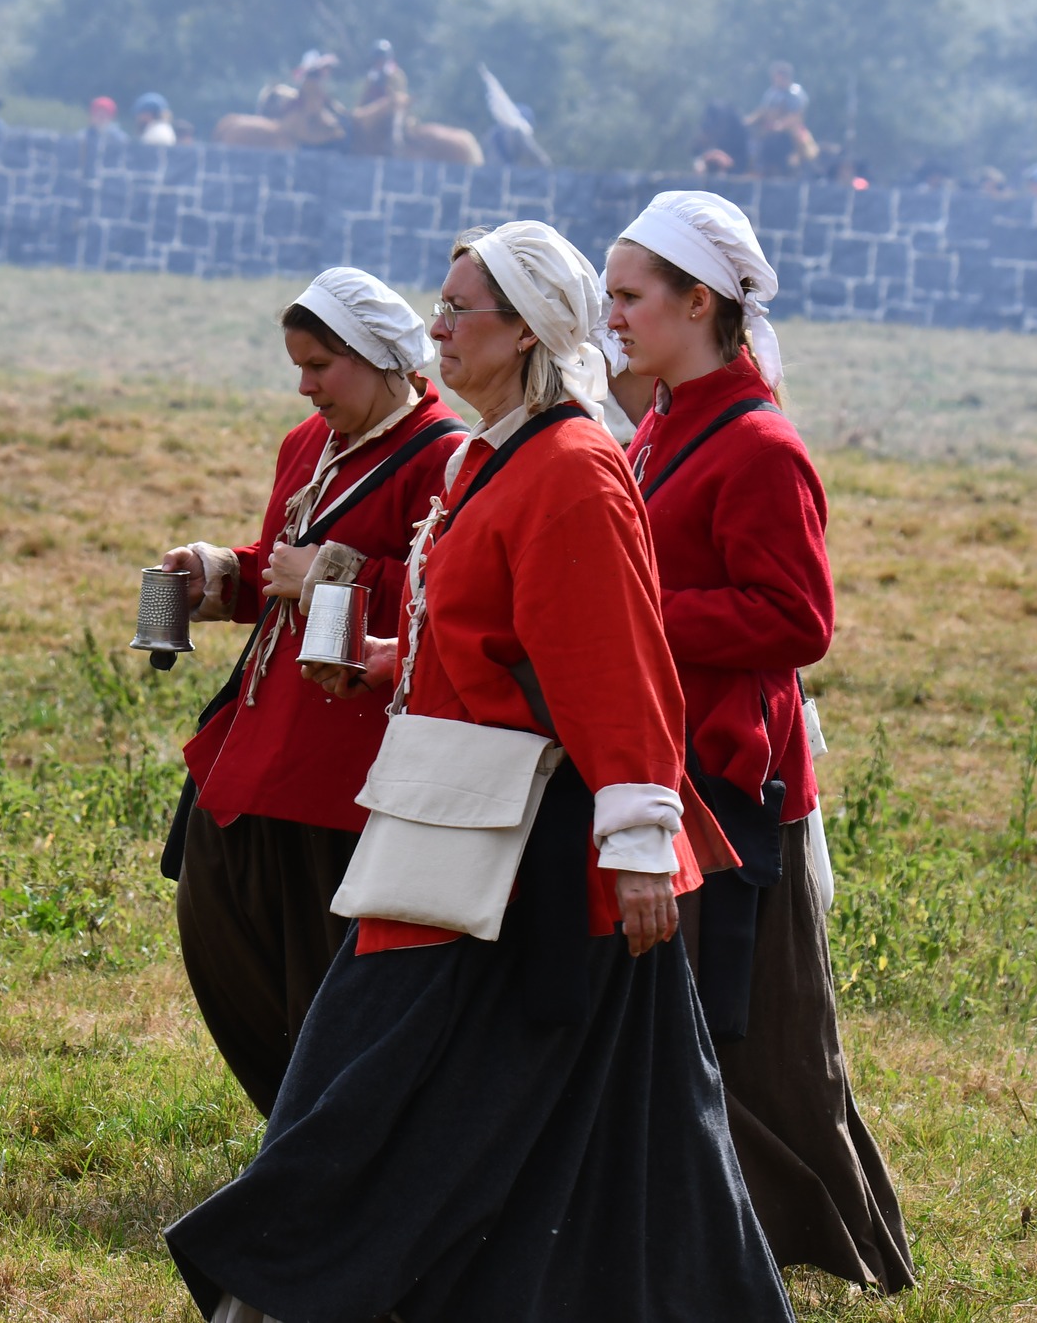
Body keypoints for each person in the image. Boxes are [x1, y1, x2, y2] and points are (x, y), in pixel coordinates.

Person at [165, 220, 789, 1323]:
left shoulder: (572, 471)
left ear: (527, 331)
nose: (438, 326)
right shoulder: (489, 457)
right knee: (544, 1123)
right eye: (441, 305)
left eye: (461, 309)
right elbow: (495, 641)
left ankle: (284, 1293)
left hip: (529, 864)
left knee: (424, 1101)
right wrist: (388, 659)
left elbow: (613, 667)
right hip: (453, 830)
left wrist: (641, 845)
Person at [606, 190, 917, 1292]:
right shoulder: (663, 422)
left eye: (630, 296)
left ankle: (795, 1237)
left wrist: (638, 612)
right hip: (674, 760)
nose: (611, 316)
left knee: (758, 1044)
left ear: (699, 303)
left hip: (733, 780)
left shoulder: (758, 444)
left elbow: (797, 619)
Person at [160, 269, 465, 1117]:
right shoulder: (308, 443)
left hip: (344, 769)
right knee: (223, 936)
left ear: (378, 357)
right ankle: (296, 1126)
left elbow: (447, 599)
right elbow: (277, 568)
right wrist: (220, 575)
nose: (305, 385)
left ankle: (333, 1137)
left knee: (324, 970)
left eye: (322, 365)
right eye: (299, 365)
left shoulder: (446, 456)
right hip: (258, 745)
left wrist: (332, 572)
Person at [746, 61, 813, 178]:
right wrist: (748, 121)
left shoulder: (796, 93)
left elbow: (796, 115)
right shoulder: (771, 93)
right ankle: (754, 169)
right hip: (770, 128)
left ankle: (800, 166)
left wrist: (781, 125)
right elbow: (763, 111)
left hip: (791, 129)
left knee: (802, 144)